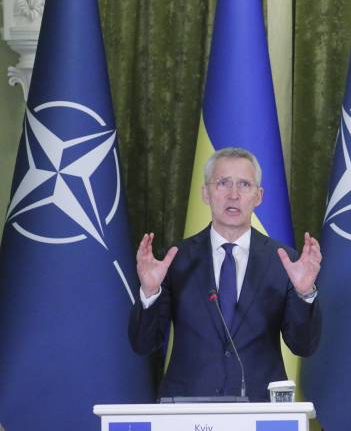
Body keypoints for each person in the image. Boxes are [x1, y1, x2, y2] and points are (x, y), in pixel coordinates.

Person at [128, 147, 321, 402]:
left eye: (244, 184)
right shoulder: (176, 259)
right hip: (188, 409)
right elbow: (143, 344)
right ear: (205, 193)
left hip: (260, 408)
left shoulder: (283, 261)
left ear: (259, 196)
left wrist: (304, 294)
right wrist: (150, 292)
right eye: (222, 183)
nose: (233, 194)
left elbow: (303, 345)